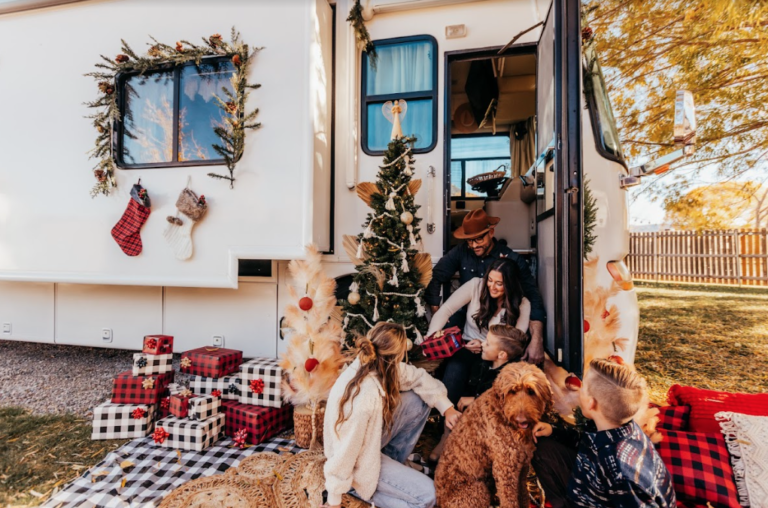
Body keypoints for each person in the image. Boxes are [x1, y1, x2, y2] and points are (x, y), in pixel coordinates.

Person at [322, 322, 462, 508]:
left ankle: (392, 466)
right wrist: (334, 500)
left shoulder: (379, 365)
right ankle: (359, 488)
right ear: (395, 356)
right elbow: (345, 453)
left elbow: (419, 377)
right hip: (355, 462)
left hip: (369, 444)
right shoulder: (364, 397)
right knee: (429, 496)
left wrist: (447, 408)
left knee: (416, 399)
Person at [531, 358, 676, 508]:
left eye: (583, 386)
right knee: (544, 448)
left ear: (590, 403)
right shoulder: (615, 425)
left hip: (606, 497)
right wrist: (554, 431)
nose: (579, 388)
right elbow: (584, 440)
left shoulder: (620, 470)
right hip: (595, 484)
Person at [426, 259, 530, 462]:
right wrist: (432, 338)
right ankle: (445, 434)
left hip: (499, 354)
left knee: (496, 378)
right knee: (456, 368)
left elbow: (515, 340)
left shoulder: (522, 304)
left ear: (510, 284)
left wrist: (485, 346)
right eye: (490, 280)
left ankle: (482, 441)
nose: (492, 286)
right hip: (467, 346)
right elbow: (446, 310)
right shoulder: (475, 285)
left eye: (499, 283)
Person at [425, 209, 546, 364]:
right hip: (465, 317)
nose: (473, 245)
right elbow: (437, 276)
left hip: (500, 329)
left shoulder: (512, 260)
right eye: (469, 240)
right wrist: (436, 313)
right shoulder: (462, 251)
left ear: (491, 232)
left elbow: (532, 297)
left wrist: (537, 340)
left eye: (478, 239)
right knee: (449, 360)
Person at [457, 324, 527, 412]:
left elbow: (503, 404)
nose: (482, 344)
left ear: (501, 355)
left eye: (487, 343)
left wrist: (476, 400)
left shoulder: (511, 379)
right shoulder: (483, 362)